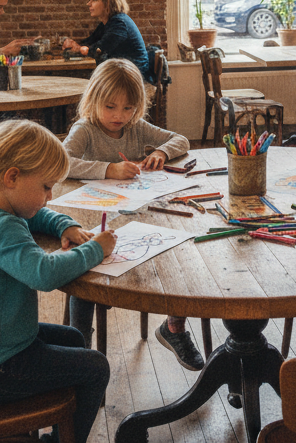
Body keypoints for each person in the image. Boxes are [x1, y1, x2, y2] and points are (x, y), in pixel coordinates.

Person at [0, 118, 115, 443]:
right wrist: (95, 249)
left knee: (76, 340)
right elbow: (44, 273)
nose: (49, 197)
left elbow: (36, 212)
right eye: (46, 186)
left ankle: (60, 424)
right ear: (12, 177)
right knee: (96, 367)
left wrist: (65, 225)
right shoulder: (4, 228)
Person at [61, 59, 198, 369]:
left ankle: (174, 326)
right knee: (85, 273)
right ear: (93, 99)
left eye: (128, 108)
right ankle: (79, 346)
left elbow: (182, 140)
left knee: (178, 257)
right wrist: (108, 168)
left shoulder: (135, 127)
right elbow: (63, 162)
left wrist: (160, 152)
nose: (119, 116)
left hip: (137, 217)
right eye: (110, 107)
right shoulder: (86, 129)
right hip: (95, 219)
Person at [61, 0, 153, 83]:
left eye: (94, 0)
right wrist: (74, 44)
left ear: (108, 2)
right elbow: (90, 42)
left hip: (133, 80)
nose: (89, 4)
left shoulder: (119, 24)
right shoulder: (108, 23)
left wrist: (79, 48)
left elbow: (99, 49)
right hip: (122, 74)